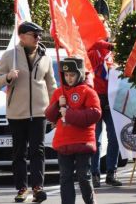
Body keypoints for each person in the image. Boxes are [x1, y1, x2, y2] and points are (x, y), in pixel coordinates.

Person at [0, 21, 56, 203]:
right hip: (17, 113)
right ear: (22, 36)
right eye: (35, 35)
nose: (38, 38)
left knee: (38, 151)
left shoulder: (46, 57)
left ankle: (37, 188)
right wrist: (8, 77)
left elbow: (52, 86)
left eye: (40, 35)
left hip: (40, 112)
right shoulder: (9, 56)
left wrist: (55, 109)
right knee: (19, 152)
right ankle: (21, 188)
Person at [45, 57, 101, 204]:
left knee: (83, 177)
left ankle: (90, 201)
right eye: (66, 75)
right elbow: (49, 115)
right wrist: (57, 104)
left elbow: (95, 114)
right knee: (65, 178)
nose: (69, 78)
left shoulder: (88, 92)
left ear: (80, 74)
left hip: (83, 142)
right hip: (64, 142)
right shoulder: (59, 93)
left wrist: (69, 114)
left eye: (72, 75)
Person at [89, 16, 122, 187]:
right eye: (101, 26)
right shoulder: (92, 48)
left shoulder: (114, 53)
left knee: (114, 137)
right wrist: (107, 45)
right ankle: (94, 173)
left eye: (106, 26)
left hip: (112, 98)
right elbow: (90, 45)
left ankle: (111, 172)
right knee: (96, 138)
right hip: (95, 98)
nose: (105, 29)